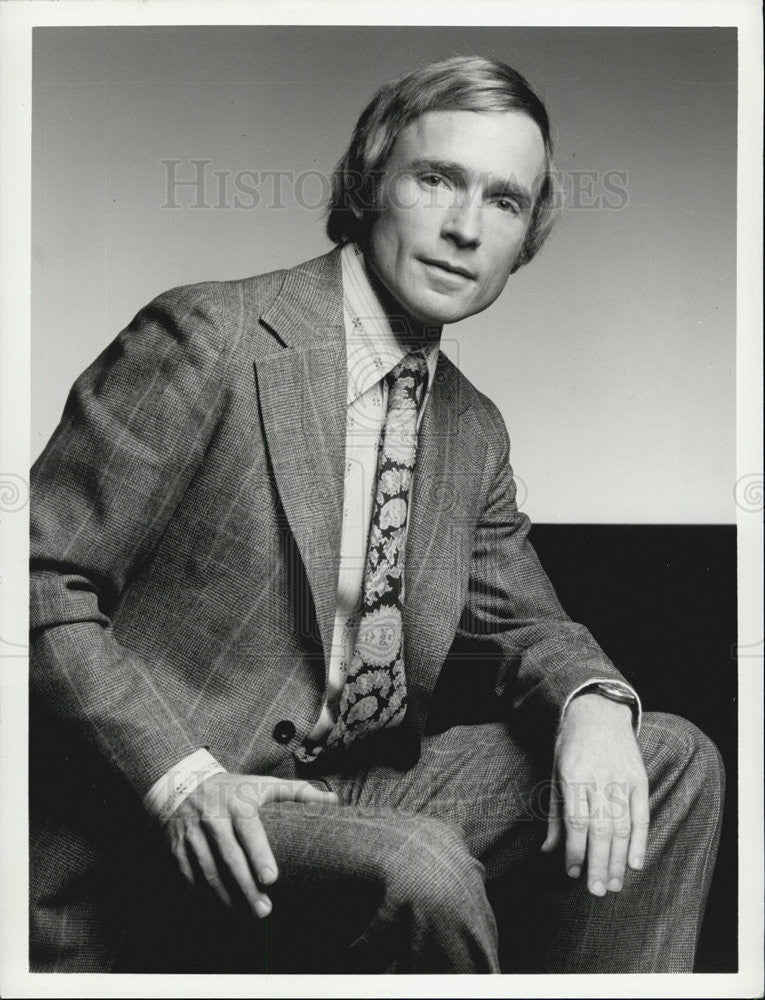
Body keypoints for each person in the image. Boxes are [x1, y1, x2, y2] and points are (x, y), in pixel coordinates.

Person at [29, 55, 724, 974]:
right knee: (420, 867)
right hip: (160, 811)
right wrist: (182, 780)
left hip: (347, 794)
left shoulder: (470, 428)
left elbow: (527, 622)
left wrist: (594, 707)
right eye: (436, 179)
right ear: (370, 185)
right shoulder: (211, 338)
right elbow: (32, 579)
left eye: (504, 202)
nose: (464, 228)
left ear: (526, 239)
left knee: (670, 758)